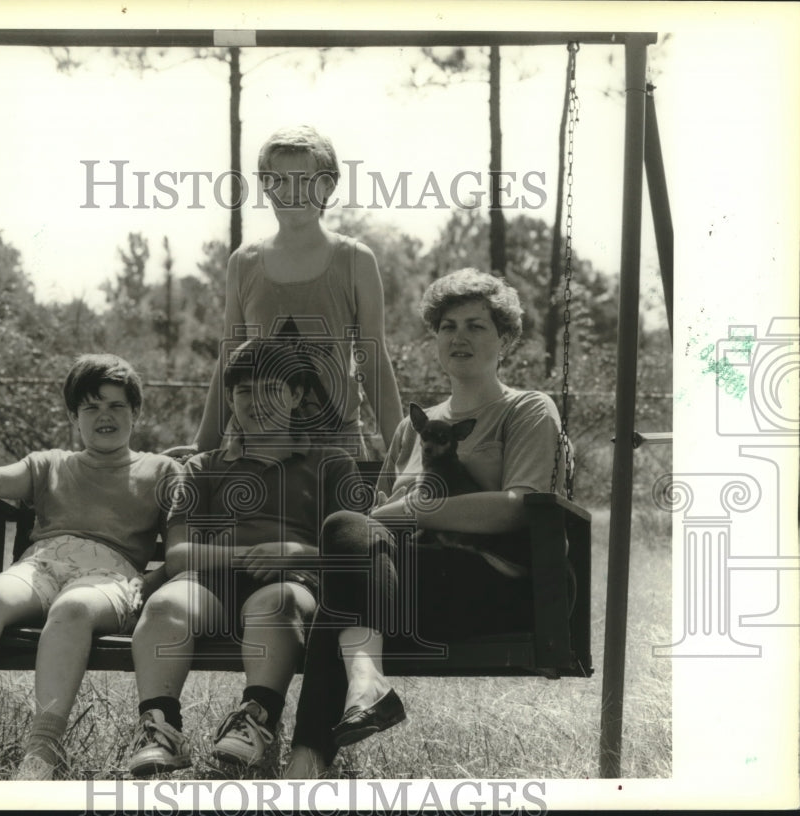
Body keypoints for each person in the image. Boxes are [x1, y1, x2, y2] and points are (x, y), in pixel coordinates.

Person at [284, 269, 570, 777]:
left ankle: (307, 761)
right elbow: (368, 527)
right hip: (401, 587)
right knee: (345, 545)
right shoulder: (410, 427)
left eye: (477, 326)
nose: (459, 336)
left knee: (341, 583)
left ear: (504, 338)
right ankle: (352, 702)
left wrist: (412, 509)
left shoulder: (526, 409)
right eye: (447, 325)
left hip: (485, 582)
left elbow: (517, 506)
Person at [0, 354, 180, 781]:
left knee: (72, 609)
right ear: (75, 415)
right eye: (91, 407)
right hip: (43, 565)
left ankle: (41, 753)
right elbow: (1, 476)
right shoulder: (52, 463)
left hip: (108, 576)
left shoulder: (161, 470)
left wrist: (150, 582)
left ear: (136, 412)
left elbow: (186, 541)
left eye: (116, 406)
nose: (104, 416)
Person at [127, 338, 364, 777]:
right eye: (243, 391)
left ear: (295, 395)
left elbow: (355, 548)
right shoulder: (204, 467)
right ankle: (160, 728)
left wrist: (292, 553)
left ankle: (256, 720)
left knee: (274, 603)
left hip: (294, 586)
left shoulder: (332, 463)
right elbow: (179, 554)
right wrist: (247, 556)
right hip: (211, 585)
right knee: (165, 606)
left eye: (271, 389)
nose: (255, 402)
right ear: (231, 399)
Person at [169, 125, 403, 460]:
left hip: (336, 449)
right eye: (279, 179)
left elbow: (373, 360)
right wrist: (203, 444)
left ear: (328, 185)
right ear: (264, 186)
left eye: (306, 180)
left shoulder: (355, 260)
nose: (293, 191)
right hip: (255, 450)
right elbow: (230, 357)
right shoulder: (244, 263)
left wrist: (402, 449)